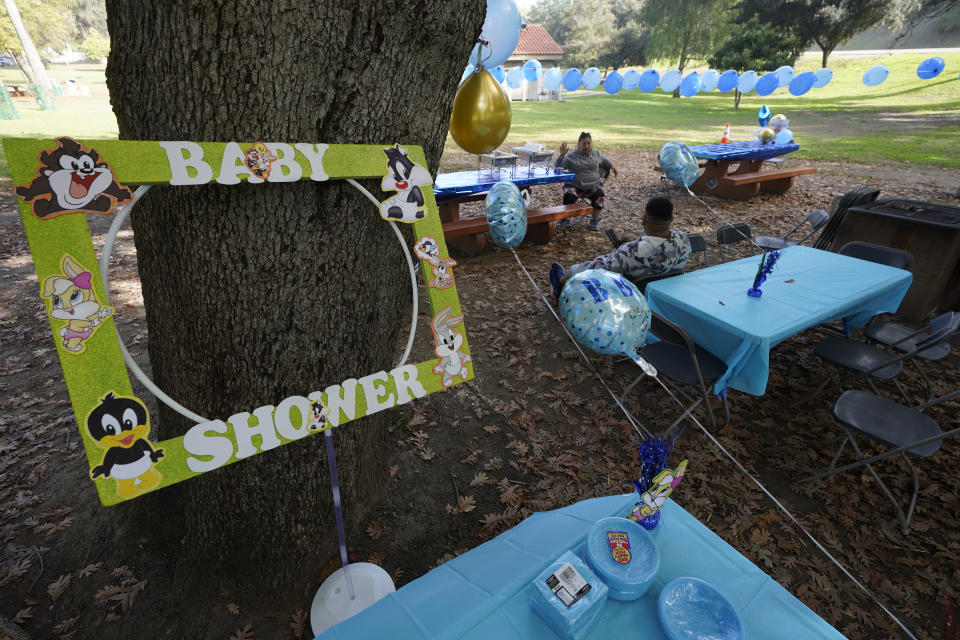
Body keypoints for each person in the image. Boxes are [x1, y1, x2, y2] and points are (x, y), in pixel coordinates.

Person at [549, 196, 691, 299]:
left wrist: (622, 250)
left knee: (591, 266)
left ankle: (560, 283)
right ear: (671, 219)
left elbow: (602, 274)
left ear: (644, 219)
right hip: (664, 292)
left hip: (631, 295)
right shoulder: (682, 239)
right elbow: (660, 249)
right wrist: (634, 243)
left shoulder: (630, 251)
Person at [556, 132, 618, 231]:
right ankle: (565, 218)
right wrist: (562, 156)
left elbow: (606, 162)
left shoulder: (596, 154)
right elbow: (559, 167)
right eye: (584, 143)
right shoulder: (571, 156)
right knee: (569, 194)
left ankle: (594, 220)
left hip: (593, 186)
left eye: (589, 143)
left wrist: (613, 167)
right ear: (578, 144)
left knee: (600, 194)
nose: (587, 146)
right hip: (575, 185)